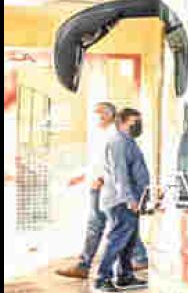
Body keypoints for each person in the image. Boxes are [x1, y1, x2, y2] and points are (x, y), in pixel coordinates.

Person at [56, 103, 147, 279]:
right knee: (121, 227)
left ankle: (95, 270)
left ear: (109, 115)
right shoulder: (102, 135)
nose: (94, 117)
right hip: (101, 186)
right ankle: (127, 264)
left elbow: (118, 168)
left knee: (110, 227)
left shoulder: (117, 136)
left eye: (98, 114)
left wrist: (105, 180)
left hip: (107, 188)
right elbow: (99, 163)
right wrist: (83, 177)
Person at [93, 108, 151, 293]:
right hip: (120, 201)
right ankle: (102, 279)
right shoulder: (118, 142)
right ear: (124, 122)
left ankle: (125, 276)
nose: (138, 125)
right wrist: (129, 199)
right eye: (136, 121)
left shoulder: (128, 142)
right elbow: (120, 174)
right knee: (116, 241)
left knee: (129, 241)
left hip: (130, 199)